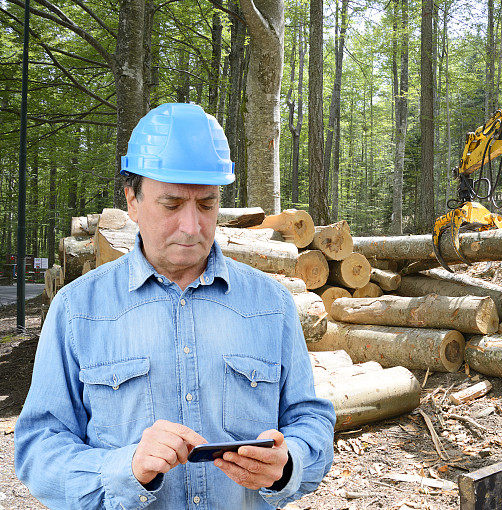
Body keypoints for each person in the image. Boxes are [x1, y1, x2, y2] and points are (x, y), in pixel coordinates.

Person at [15, 102, 335, 509]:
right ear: (132, 200)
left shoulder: (270, 305)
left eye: (206, 205)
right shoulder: (78, 310)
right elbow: (39, 448)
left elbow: (311, 419)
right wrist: (123, 468)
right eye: (171, 205)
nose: (191, 226)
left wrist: (288, 465)